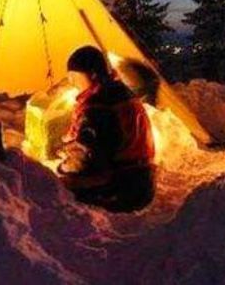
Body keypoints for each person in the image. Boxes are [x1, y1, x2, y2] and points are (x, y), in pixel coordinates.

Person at [57, 46, 157, 212]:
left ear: (93, 74)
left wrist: (63, 167)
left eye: (75, 76)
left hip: (122, 187)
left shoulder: (99, 106)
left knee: (57, 189)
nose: (72, 82)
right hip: (144, 181)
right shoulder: (120, 92)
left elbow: (86, 159)